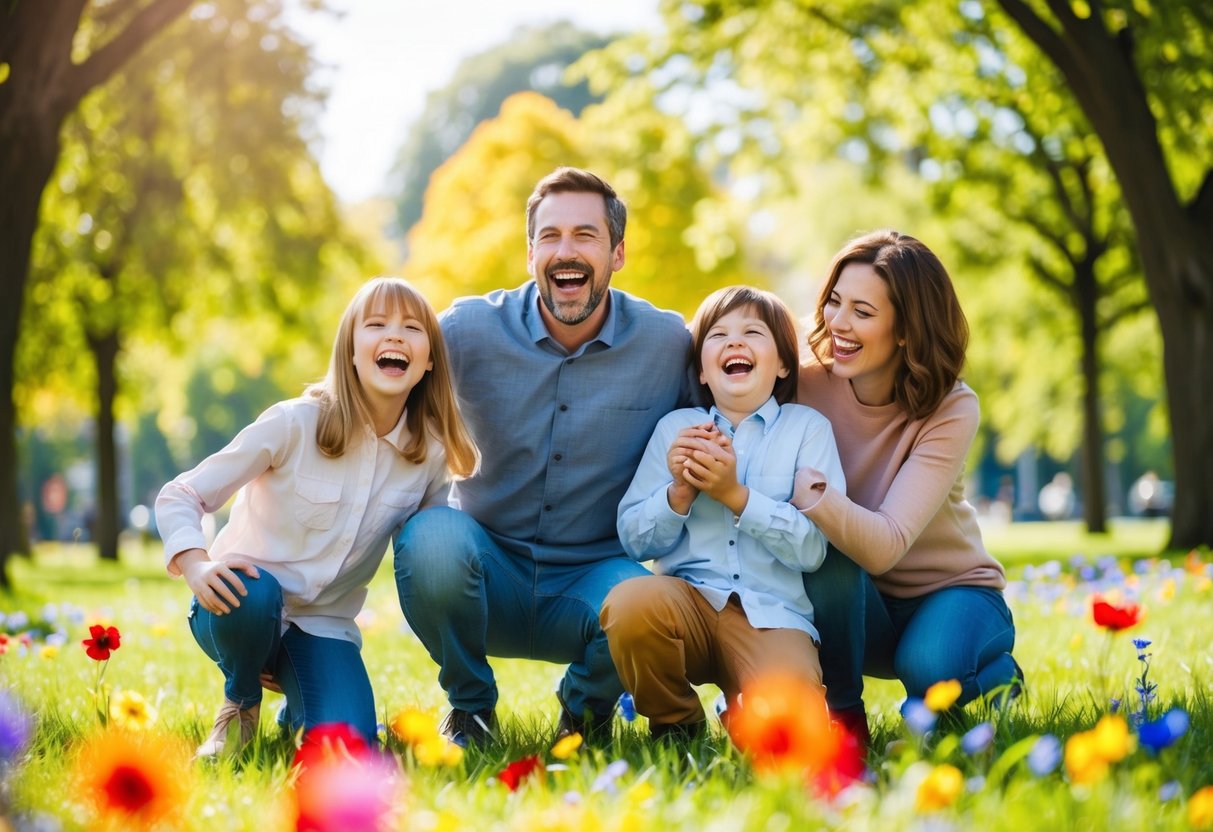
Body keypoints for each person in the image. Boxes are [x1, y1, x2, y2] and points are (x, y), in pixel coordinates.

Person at [392, 167, 697, 748]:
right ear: (530, 251)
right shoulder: (466, 329)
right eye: (550, 236)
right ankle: (470, 709)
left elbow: (744, 398)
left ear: (618, 252)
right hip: (486, 572)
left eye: (585, 235)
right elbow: (379, 384)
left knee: (650, 600)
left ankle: (584, 713)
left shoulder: (668, 343)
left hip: (594, 581)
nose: (566, 251)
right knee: (430, 537)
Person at [156, 277, 477, 757]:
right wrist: (197, 562)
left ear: (429, 358)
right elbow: (181, 493)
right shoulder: (294, 423)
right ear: (350, 349)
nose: (394, 336)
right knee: (254, 591)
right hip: (236, 607)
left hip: (323, 625)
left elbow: (430, 548)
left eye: (412, 328)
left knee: (349, 750)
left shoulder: (428, 454)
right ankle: (239, 704)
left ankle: (301, 706)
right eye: (376, 324)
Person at [791, 230, 1022, 747]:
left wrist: (817, 497)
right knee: (825, 551)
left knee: (930, 671)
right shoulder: (803, 382)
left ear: (905, 329)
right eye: (834, 302)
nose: (839, 323)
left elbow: (885, 544)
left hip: (950, 593)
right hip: (853, 608)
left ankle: (999, 680)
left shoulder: (951, 406)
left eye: (863, 312)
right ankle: (844, 721)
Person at [602, 286, 845, 740]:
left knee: (793, 744)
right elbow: (634, 539)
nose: (735, 343)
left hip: (772, 616)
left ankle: (743, 710)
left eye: (753, 332)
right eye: (718, 335)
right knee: (631, 604)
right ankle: (676, 725)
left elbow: (813, 550)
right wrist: (679, 493)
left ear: (784, 364)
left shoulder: (808, 430)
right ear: (703, 370)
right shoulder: (676, 430)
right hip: (687, 605)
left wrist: (736, 495)